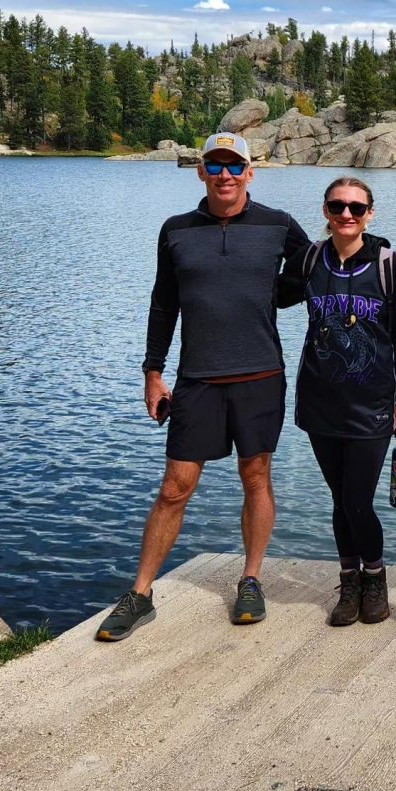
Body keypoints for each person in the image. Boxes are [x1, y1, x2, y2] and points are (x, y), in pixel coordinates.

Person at [96, 132, 310, 642]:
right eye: (215, 167)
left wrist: (273, 296)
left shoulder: (278, 225)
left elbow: (315, 271)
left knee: (255, 477)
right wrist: (152, 372)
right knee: (175, 487)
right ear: (200, 172)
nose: (226, 176)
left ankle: (251, 579)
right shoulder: (176, 231)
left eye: (235, 167)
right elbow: (163, 304)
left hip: (261, 376)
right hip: (197, 380)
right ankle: (141, 593)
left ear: (250, 173)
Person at [283, 177, 396, 627]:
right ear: (325, 211)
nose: (346, 215)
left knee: (358, 500)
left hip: (372, 403)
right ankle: (349, 579)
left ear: (369, 214)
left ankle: (374, 577)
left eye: (356, 208)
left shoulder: (387, 264)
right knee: (339, 499)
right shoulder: (311, 259)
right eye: (338, 207)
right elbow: (270, 293)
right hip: (320, 401)